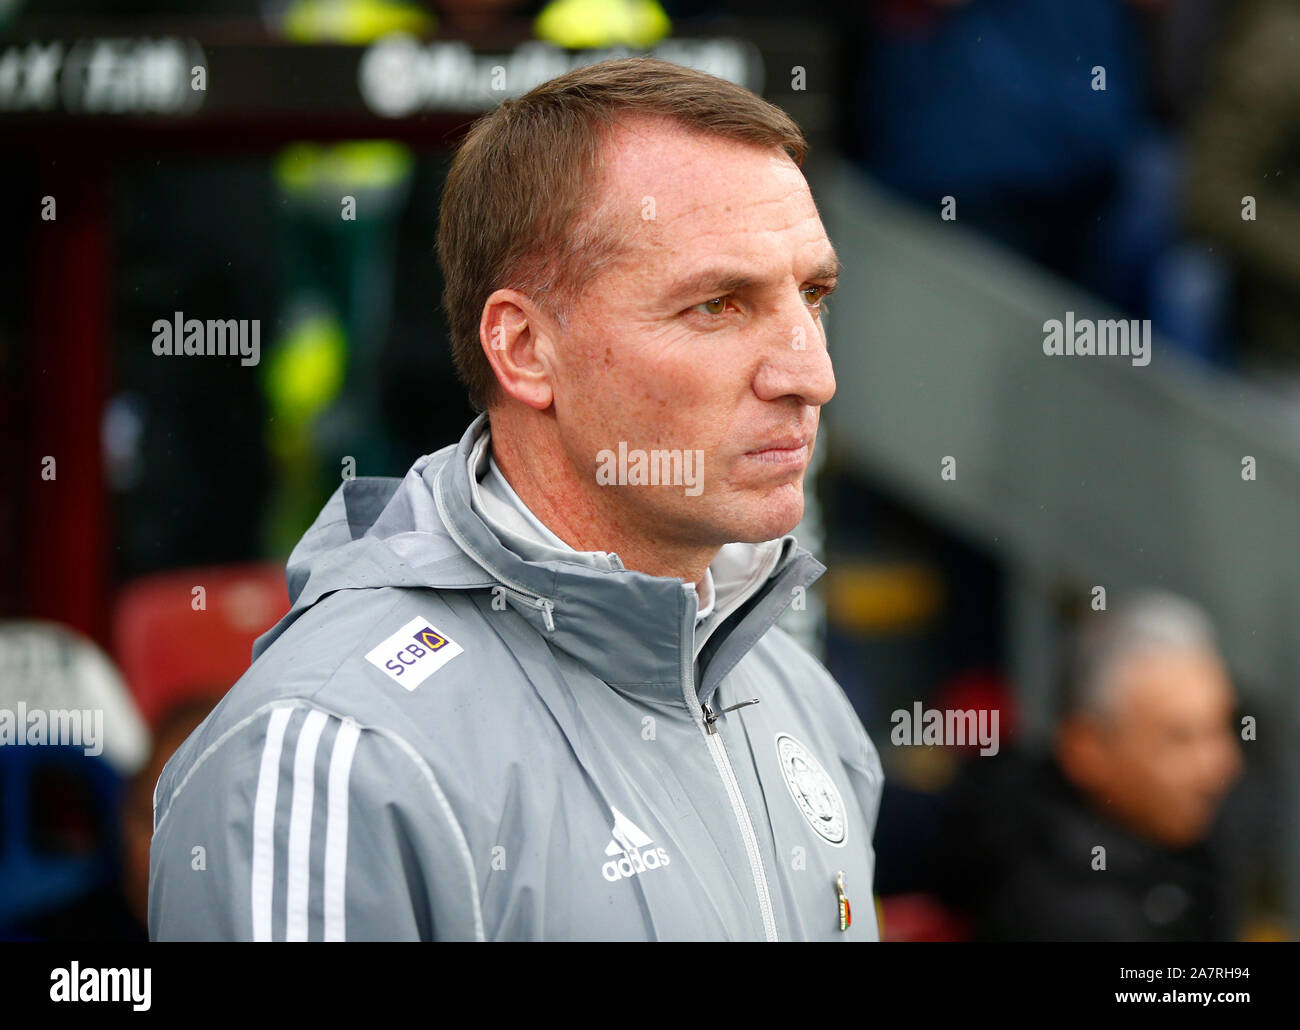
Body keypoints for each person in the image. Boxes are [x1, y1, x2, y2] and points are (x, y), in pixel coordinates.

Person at [149, 57, 885, 941]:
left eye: (813, 296)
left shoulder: (797, 694)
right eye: (720, 305)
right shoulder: (333, 754)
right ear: (526, 349)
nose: (812, 373)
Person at [937, 591, 1244, 941]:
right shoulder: (1063, 915)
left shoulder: (1178, 827)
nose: (1222, 766)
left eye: (1222, 726)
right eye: (1179, 739)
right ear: (1086, 748)